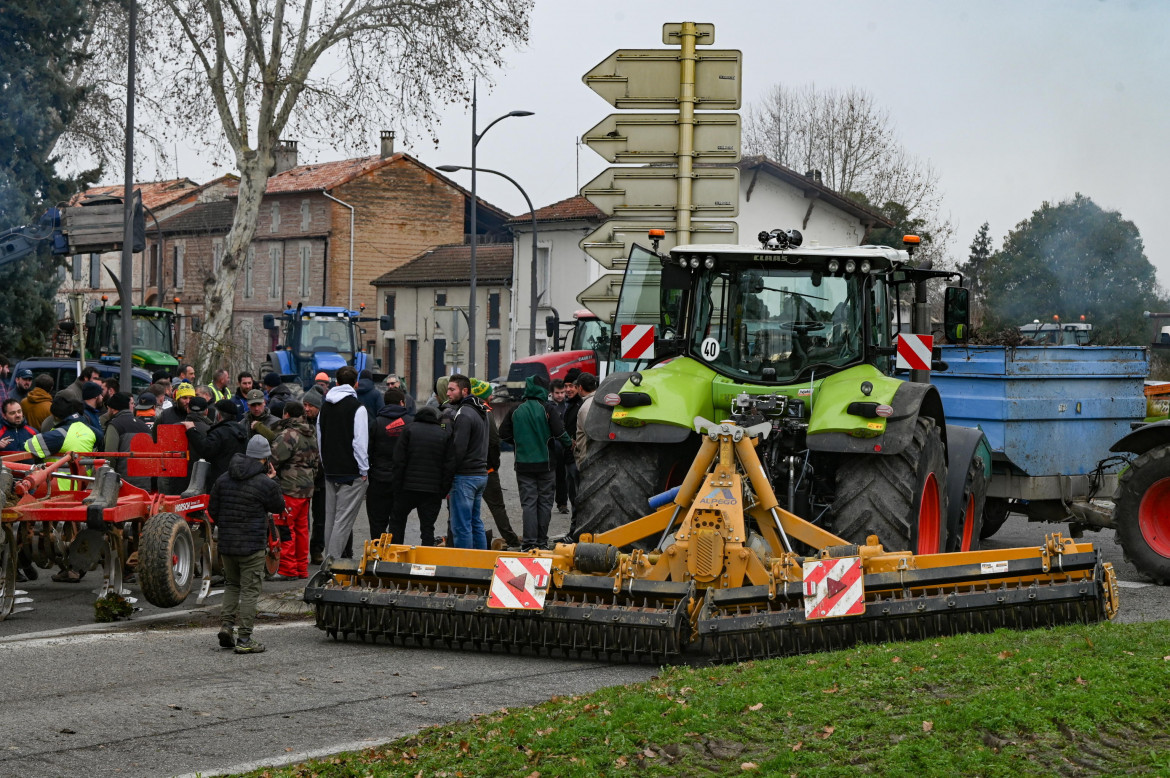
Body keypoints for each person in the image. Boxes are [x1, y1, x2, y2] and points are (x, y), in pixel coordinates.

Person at [208, 434, 285, 654]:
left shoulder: (223, 478)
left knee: (232, 585)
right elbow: (278, 507)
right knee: (250, 590)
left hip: (227, 543)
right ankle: (244, 639)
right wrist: (273, 480)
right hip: (251, 545)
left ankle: (227, 626)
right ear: (265, 459)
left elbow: (213, 510)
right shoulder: (264, 483)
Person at [500, 376, 571, 550]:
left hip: (523, 465)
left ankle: (529, 543)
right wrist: (570, 444)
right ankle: (541, 542)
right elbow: (560, 433)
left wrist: (519, 442)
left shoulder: (515, 410)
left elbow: (503, 433)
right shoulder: (548, 409)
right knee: (545, 503)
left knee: (529, 504)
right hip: (546, 464)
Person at [317, 365, 368, 561]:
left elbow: (320, 438)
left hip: (330, 469)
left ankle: (328, 559)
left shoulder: (324, 407)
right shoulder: (358, 408)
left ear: (336, 383)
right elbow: (360, 442)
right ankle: (332, 562)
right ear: (356, 384)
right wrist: (364, 470)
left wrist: (326, 462)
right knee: (343, 520)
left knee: (330, 518)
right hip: (351, 471)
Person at [390, 405, 454, 546]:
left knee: (397, 521)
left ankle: (395, 553)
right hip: (432, 490)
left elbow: (398, 460)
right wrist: (442, 490)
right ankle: (426, 557)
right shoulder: (443, 433)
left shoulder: (409, 429)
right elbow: (448, 465)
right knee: (427, 527)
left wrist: (397, 486)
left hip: (407, 488)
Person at [269, 400, 318, 580]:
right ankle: (301, 568)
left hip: (290, 488)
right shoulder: (311, 434)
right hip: (307, 489)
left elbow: (274, 458)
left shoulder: (289, 434)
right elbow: (316, 462)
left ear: (287, 414)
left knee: (286, 529)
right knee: (302, 530)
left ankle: (288, 570)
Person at [471, 378, 520, 549]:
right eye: (489, 393)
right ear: (485, 396)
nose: (492, 395)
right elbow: (493, 440)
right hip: (486, 469)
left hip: (469, 468)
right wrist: (494, 465)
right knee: (497, 507)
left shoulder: (466, 409)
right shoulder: (486, 411)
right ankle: (511, 540)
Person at [444, 374, 489, 549]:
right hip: (480, 474)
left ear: (464, 391)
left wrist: (448, 474)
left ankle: (465, 569)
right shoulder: (481, 411)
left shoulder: (463, 413)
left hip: (465, 477)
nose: (448, 393)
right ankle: (482, 564)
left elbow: (458, 449)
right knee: (475, 522)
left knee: (461, 526)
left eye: (452, 389)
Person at [366, 387, 409, 542]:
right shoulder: (410, 423)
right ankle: (395, 556)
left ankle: (378, 555)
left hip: (379, 479)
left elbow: (368, 451)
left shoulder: (376, 423)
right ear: (402, 402)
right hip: (402, 481)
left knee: (377, 521)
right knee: (398, 521)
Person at [187, 399, 248, 486]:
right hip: (239, 478)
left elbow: (205, 449)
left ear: (218, 415)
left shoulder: (219, 432)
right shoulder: (242, 430)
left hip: (220, 480)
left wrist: (191, 430)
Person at [103, 392, 154, 491]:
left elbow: (110, 455)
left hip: (123, 483)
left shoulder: (115, 425)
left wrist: (110, 479)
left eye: (108, 408)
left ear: (113, 409)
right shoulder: (144, 426)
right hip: (145, 483)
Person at [548, 379, 570, 514]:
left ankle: (562, 503)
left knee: (562, 477)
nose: (560, 395)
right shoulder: (547, 406)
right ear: (551, 393)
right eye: (557, 393)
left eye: (562, 392)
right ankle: (548, 503)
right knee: (550, 478)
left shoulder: (567, 406)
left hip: (563, 447)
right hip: (551, 447)